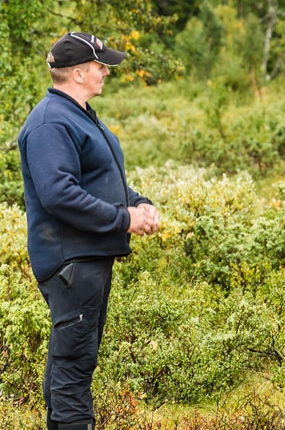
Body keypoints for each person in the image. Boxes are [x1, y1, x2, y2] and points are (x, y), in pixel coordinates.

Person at [17, 32, 161, 430]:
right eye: (100, 66)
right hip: (71, 263)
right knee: (74, 368)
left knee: (70, 362)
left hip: (87, 260)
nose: (105, 73)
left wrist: (137, 203)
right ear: (78, 73)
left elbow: (99, 179)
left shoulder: (77, 115)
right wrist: (123, 220)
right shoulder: (50, 122)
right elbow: (58, 194)